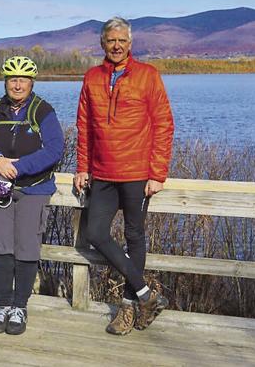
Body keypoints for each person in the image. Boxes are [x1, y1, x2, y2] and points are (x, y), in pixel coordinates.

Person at [74, 17, 174, 335]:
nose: (116, 46)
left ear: (130, 44)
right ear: (102, 44)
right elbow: (84, 128)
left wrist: (157, 173)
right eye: (110, 40)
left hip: (136, 174)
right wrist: (82, 167)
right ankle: (147, 295)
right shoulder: (91, 78)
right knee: (95, 233)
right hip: (102, 173)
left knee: (134, 237)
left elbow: (163, 125)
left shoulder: (148, 76)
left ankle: (129, 308)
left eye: (122, 41)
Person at [0, 56, 64, 335]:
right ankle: (3, 305)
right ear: (5, 81)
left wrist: (18, 167)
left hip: (34, 188)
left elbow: (55, 149)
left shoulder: (43, 110)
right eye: (13, 79)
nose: (18, 84)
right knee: (0, 246)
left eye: (23, 79)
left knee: (26, 247)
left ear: (32, 82)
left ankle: (20, 307)